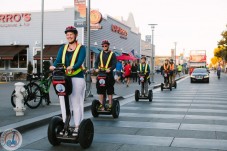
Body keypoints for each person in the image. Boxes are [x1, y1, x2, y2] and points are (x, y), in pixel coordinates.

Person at [49, 26, 86, 136]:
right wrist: (53, 66)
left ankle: (77, 126)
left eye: (71, 34)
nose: (69, 36)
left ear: (75, 35)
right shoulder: (63, 48)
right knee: (64, 103)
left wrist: (73, 67)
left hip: (77, 77)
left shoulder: (81, 48)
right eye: (67, 34)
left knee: (75, 102)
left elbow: (80, 61)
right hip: (64, 78)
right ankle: (66, 125)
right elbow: (58, 60)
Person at [95, 40, 117, 111]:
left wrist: (110, 69)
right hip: (101, 74)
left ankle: (110, 104)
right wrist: (96, 68)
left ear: (108, 46)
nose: (104, 47)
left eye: (105, 46)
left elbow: (114, 64)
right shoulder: (100, 54)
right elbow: (96, 63)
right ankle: (101, 105)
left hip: (109, 74)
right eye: (103, 46)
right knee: (100, 90)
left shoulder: (112, 54)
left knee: (110, 89)